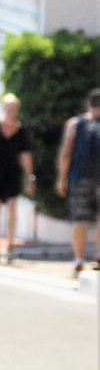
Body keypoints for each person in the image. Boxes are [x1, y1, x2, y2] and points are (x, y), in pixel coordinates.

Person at [0, 93, 35, 265]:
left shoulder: (21, 131)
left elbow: (25, 155)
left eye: (14, 108)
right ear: (3, 109)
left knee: (12, 207)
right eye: (9, 108)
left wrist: (30, 177)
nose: (12, 112)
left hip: (12, 173)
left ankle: (10, 245)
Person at [60, 87, 100, 279]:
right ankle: (99, 256)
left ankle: (78, 260)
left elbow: (66, 153)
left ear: (88, 104)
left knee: (80, 219)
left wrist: (62, 178)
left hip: (80, 177)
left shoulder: (75, 123)